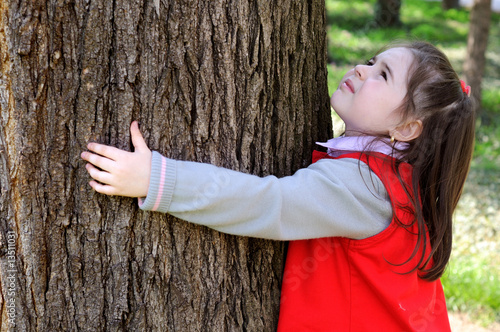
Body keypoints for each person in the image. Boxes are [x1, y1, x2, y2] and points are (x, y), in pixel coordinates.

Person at [81, 41, 475, 331]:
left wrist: (158, 180)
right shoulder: (395, 176)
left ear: (406, 129)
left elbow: (270, 204)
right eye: (372, 61)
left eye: (382, 75)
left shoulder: (366, 188)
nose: (359, 68)